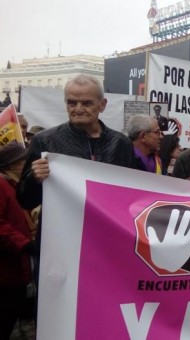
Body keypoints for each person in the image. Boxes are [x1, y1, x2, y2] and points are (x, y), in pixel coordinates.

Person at [17, 74, 136, 210]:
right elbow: (24, 202)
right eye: (72, 103)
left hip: (103, 227)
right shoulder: (44, 141)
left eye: (86, 103)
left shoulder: (121, 143)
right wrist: (34, 179)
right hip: (60, 228)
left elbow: (132, 196)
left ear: (102, 105)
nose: (78, 109)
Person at [0, 143, 34, 340]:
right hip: (6, 272)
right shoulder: (2, 186)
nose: (27, 166)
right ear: (11, 165)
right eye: (23, 162)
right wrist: (24, 243)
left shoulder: (13, 186)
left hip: (14, 271)